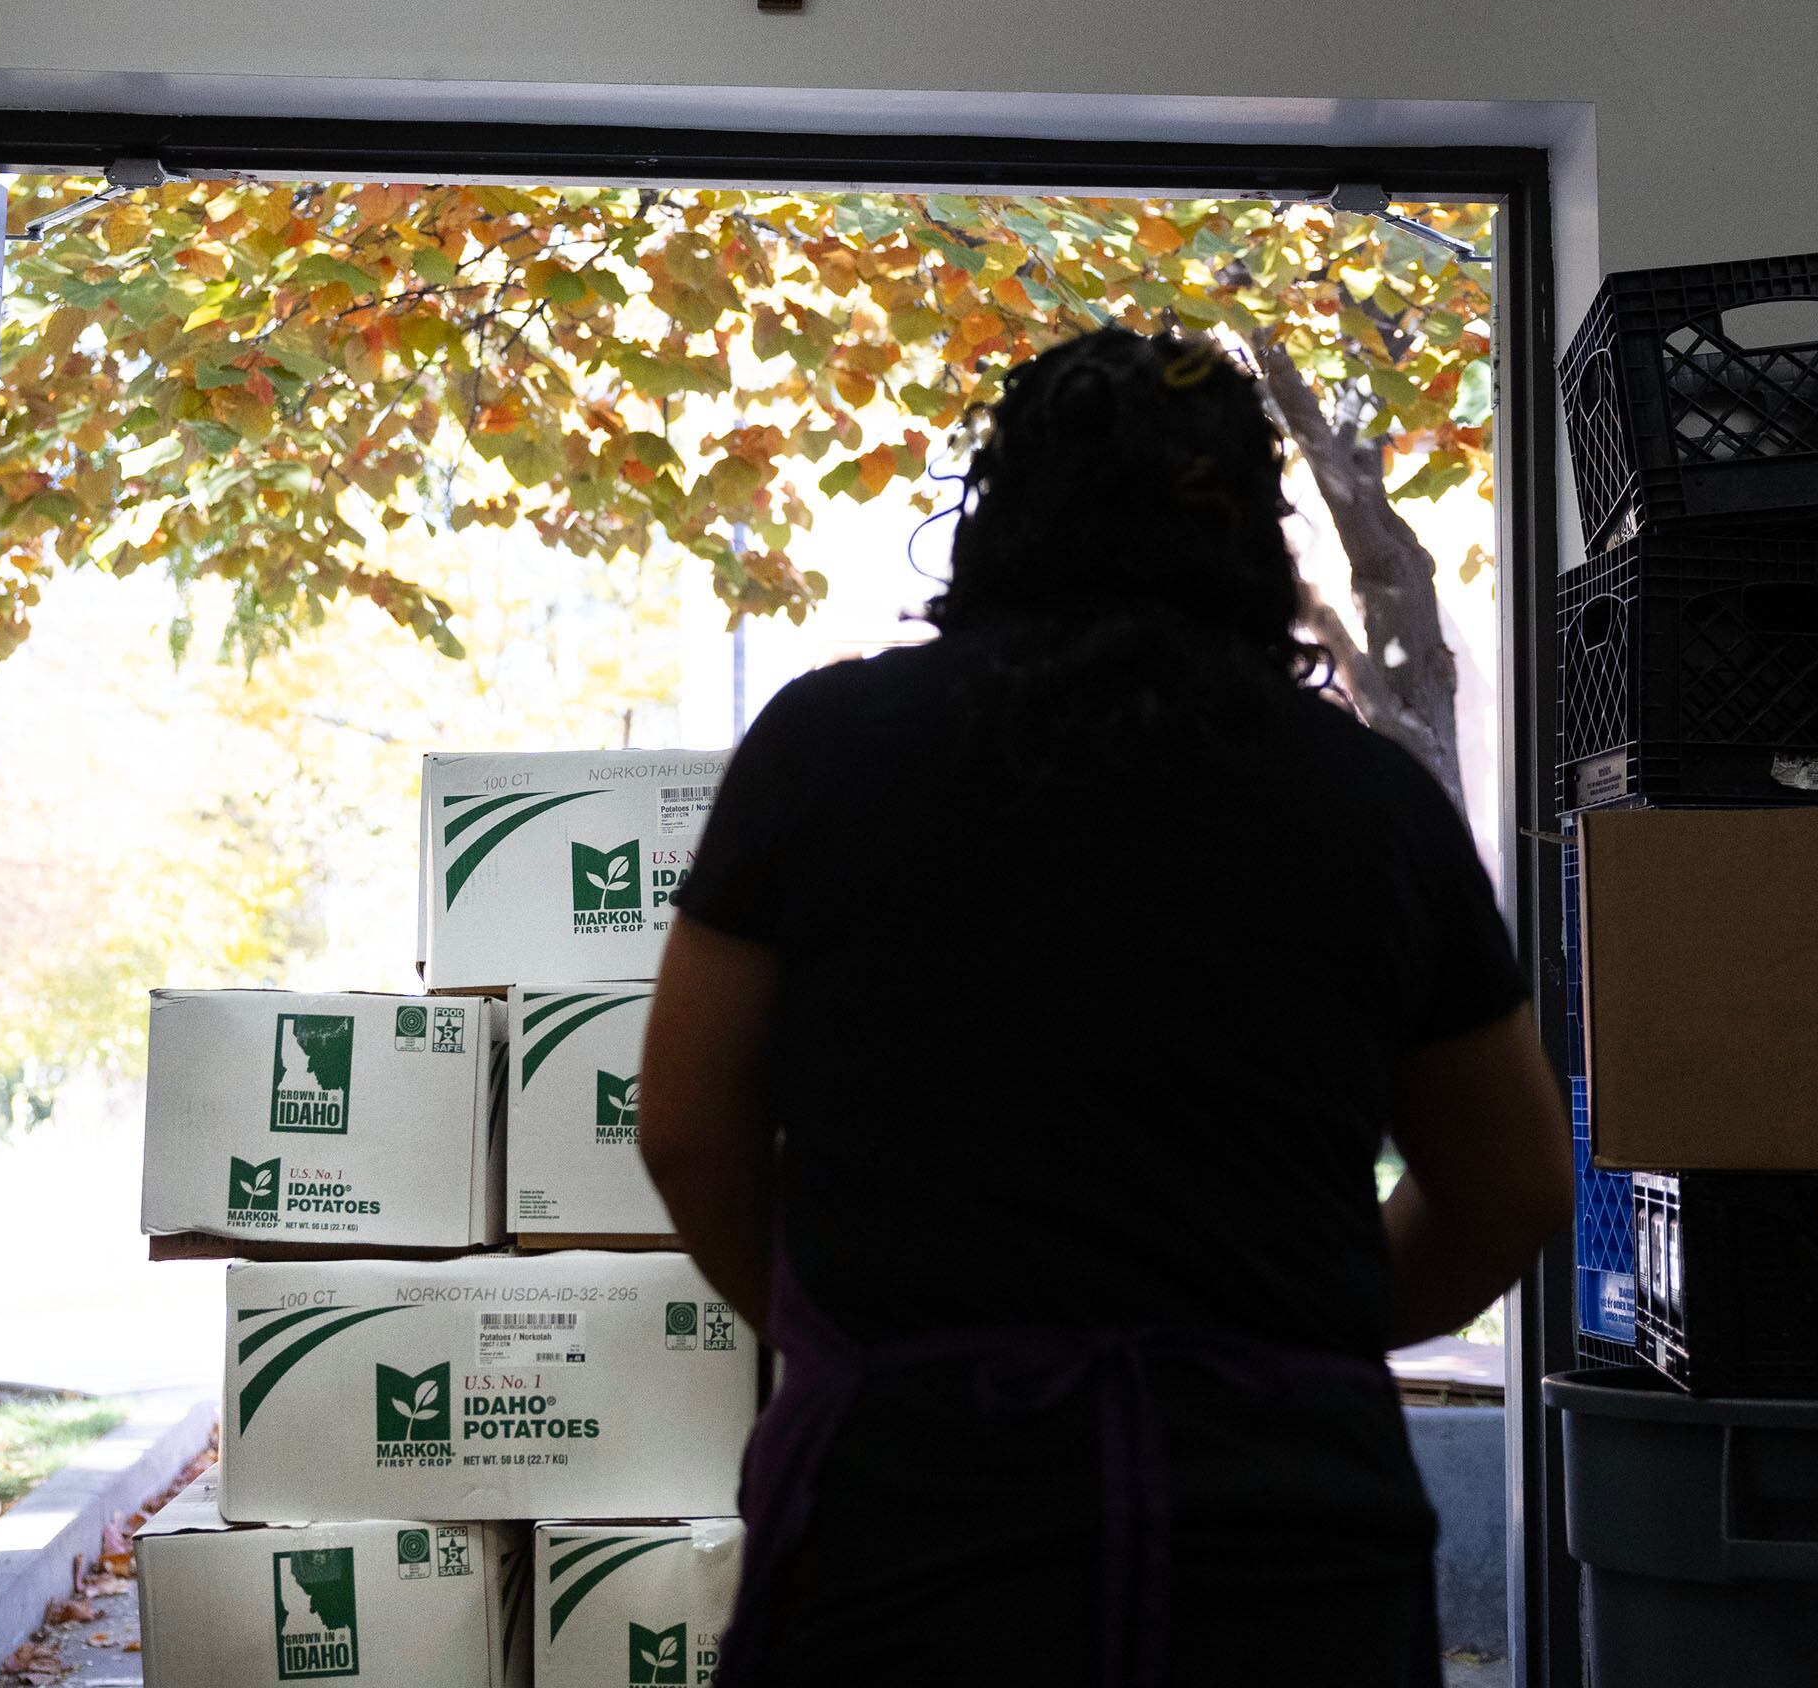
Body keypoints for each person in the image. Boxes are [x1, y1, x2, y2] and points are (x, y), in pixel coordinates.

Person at [639, 326, 1571, 1688]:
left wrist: (850, 1339)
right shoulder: (1367, 798)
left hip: (913, 1519)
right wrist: (1283, 1336)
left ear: (994, 513)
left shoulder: (828, 749)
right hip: (1283, 1540)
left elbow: (687, 1129)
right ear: (1260, 538)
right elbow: (1512, 1184)